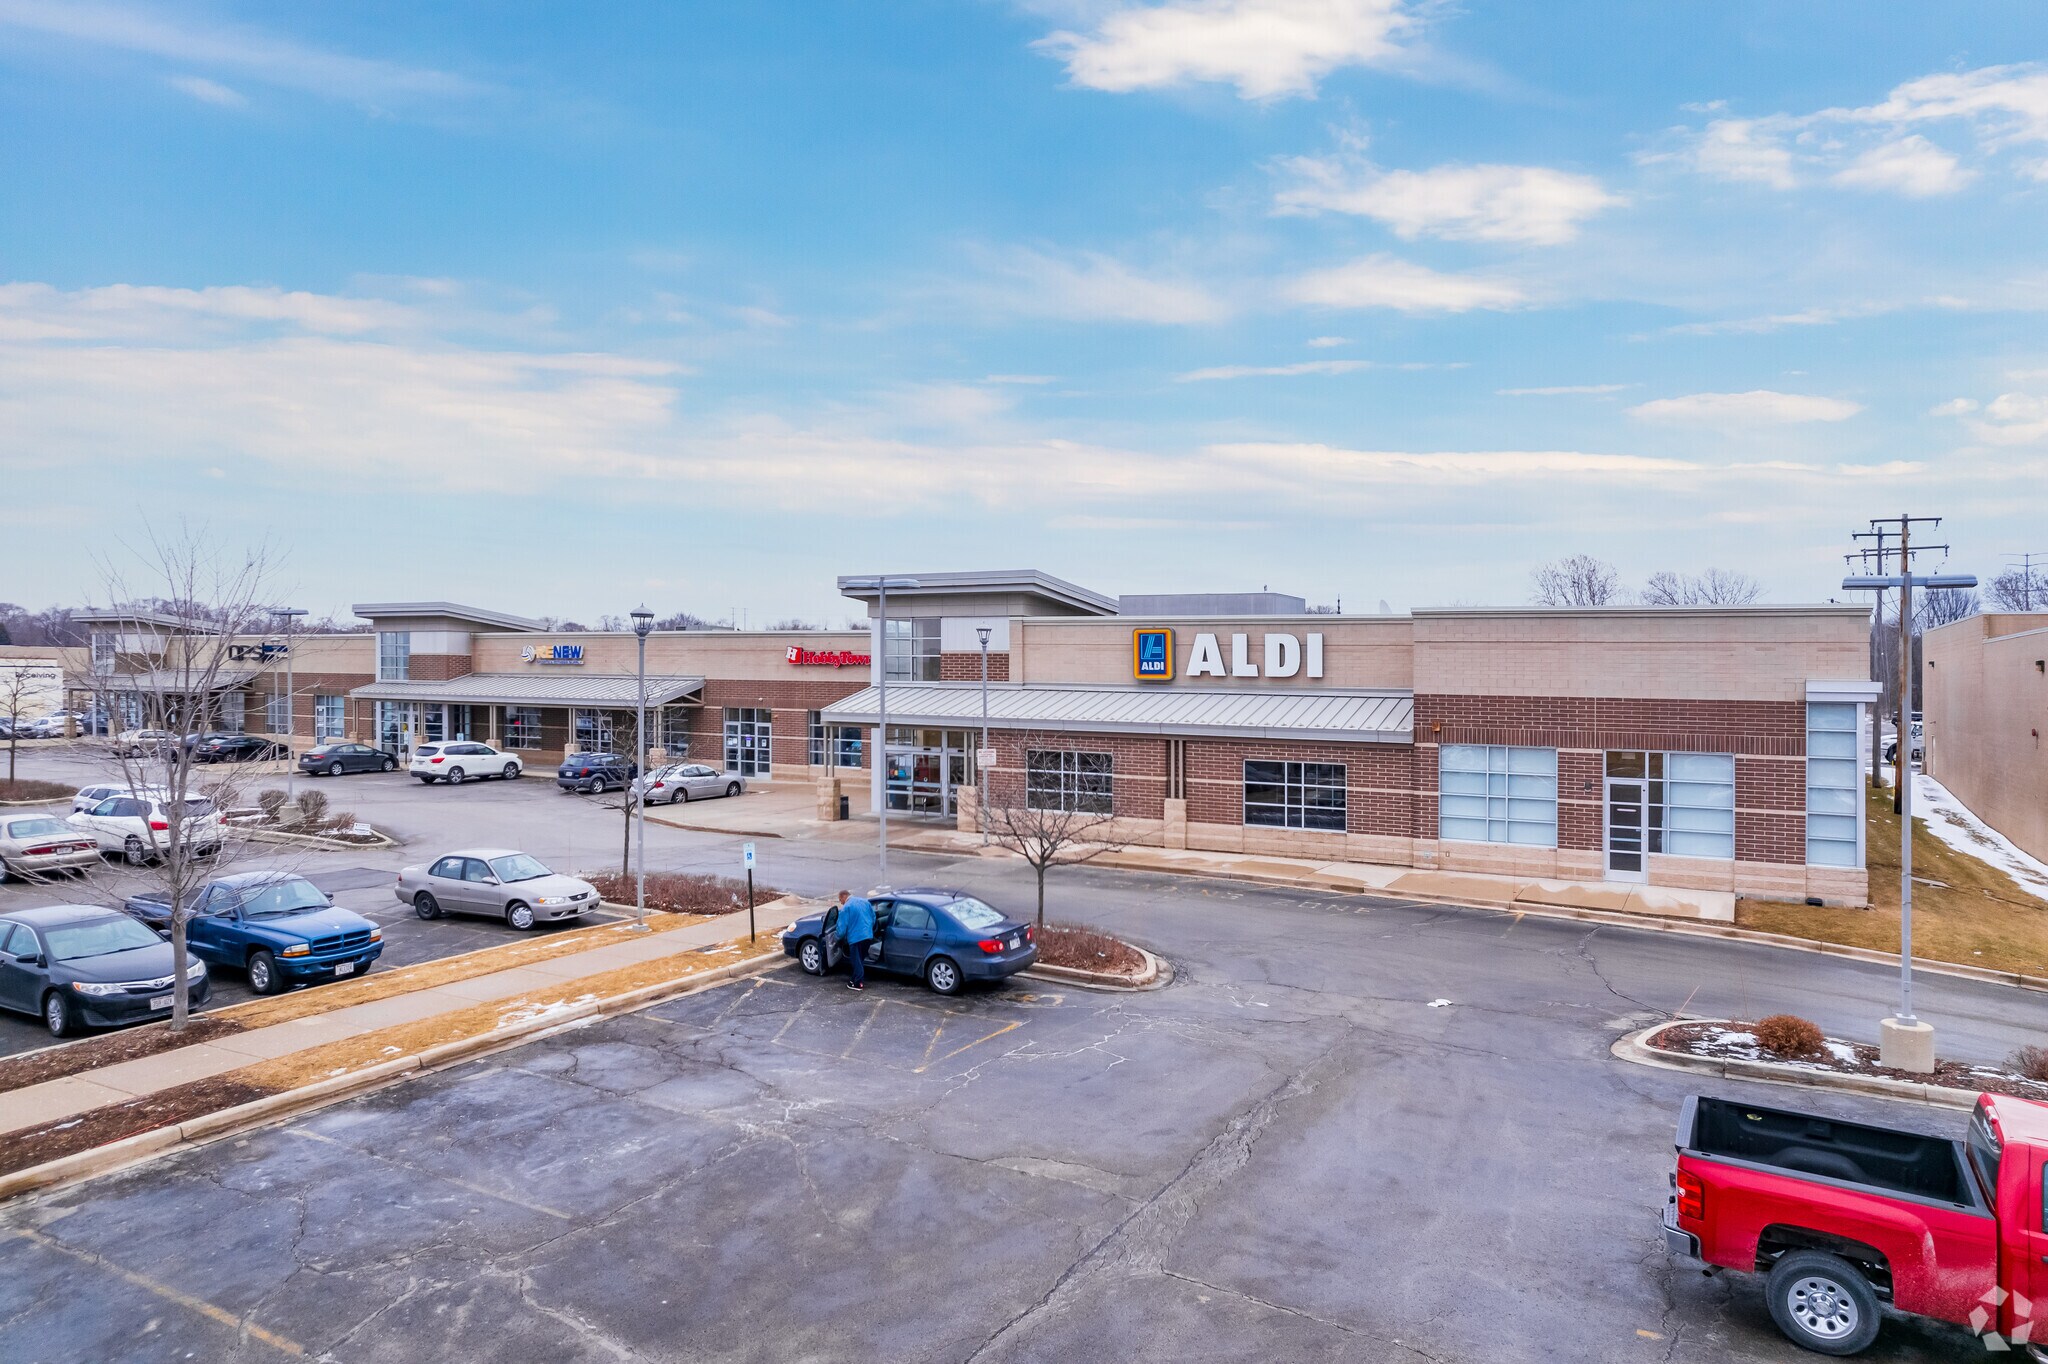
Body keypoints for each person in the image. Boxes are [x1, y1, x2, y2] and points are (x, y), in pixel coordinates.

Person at [836, 889, 875, 991]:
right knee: (860, 960)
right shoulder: (865, 902)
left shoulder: (846, 908)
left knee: (856, 961)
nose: (841, 902)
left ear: (844, 896)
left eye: (840, 900)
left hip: (855, 938)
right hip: (868, 936)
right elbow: (873, 918)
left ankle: (858, 983)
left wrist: (838, 938)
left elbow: (842, 928)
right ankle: (853, 980)